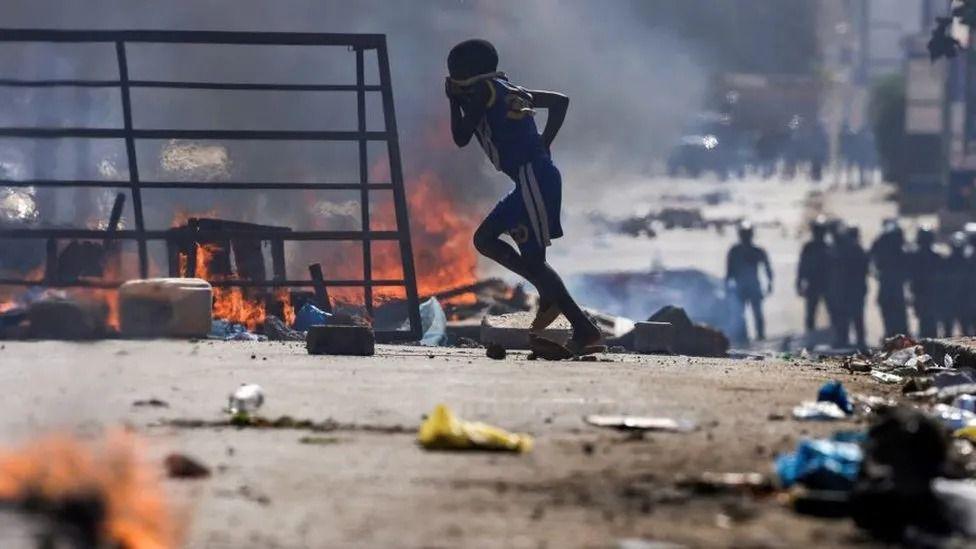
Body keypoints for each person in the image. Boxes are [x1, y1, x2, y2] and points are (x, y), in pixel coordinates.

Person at [444, 39, 601, 353]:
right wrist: (545, 142)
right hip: (536, 178)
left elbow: (461, 137)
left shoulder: (482, 93)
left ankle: (581, 326)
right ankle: (560, 309)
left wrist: (453, 101)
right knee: (493, 243)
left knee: (511, 251)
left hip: (532, 179)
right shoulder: (510, 89)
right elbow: (560, 102)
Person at [726, 221, 773, 341]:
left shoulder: (756, 251)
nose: (746, 236)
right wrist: (727, 286)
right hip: (742, 286)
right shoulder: (736, 251)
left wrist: (769, 283)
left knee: (756, 313)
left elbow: (767, 268)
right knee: (741, 314)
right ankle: (744, 337)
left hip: (751, 286)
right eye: (744, 234)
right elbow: (729, 270)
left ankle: (760, 336)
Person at [869, 219, 909, 337]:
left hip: (890, 279)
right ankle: (896, 332)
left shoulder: (885, 240)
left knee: (892, 306)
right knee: (892, 306)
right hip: (890, 279)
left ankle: (897, 332)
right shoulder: (895, 240)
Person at [796, 216, 831, 334]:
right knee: (811, 313)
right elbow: (802, 266)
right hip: (814, 283)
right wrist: (799, 283)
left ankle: (835, 336)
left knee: (832, 311)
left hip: (827, 283)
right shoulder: (809, 247)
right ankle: (810, 336)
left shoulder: (829, 246)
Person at [837, 226, 870, 349]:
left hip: (851, 287)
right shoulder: (859, 250)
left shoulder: (847, 250)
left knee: (851, 315)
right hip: (855, 287)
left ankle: (847, 339)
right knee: (855, 315)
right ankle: (856, 340)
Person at [909, 225, 943, 338]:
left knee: (926, 322)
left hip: (925, 293)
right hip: (928, 294)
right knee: (929, 322)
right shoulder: (936, 256)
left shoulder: (915, 256)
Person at [942, 231, 969, 337]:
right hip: (952, 302)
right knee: (949, 331)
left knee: (966, 331)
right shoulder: (946, 263)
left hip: (962, 302)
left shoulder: (968, 262)